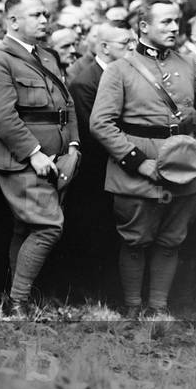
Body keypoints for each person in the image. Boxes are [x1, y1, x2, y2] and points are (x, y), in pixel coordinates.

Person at [90, 0, 196, 318]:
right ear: (143, 26)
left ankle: (158, 308)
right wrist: (140, 163)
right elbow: (101, 124)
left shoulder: (189, 65)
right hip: (137, 170)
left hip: (184, 167)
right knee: (135, 240)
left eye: (176, 21)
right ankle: (132, 310)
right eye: (165, 22)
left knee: (171, 241)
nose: (174, 27)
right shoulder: (119, 69)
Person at [0, 0, 81, 317]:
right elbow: (3, 117)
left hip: (57, 158)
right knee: (48, 226)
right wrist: (33, 152)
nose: (43, 21)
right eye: (35, 15)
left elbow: (67, 106)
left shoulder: (48, 57)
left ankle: (19, 295)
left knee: (27, 228)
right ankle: (16, 302)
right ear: (12, 21)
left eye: (45, 15)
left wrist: (74, 147)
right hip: (22, 161)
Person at [65, 21, 133, 300]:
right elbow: (95, 134)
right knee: (97, 230)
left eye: (133, 42)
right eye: (124, 44)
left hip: (119, 164)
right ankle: (95, 293)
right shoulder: (85, 83)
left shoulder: (127, 74)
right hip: (98, 170)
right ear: (104, 47)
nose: (132, 48)